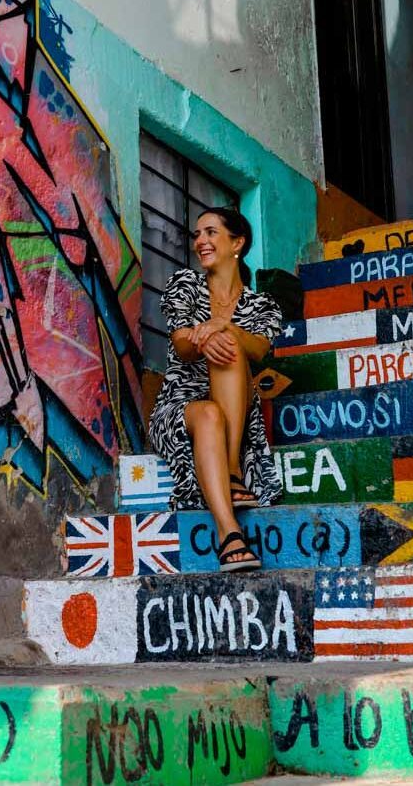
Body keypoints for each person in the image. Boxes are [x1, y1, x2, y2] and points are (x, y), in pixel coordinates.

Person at [148, 208, 283, 571]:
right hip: (180, 406)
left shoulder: (262, 305)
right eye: (197, 235)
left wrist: (224, 326)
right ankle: (229, 533)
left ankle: (233, 468)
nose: (200, 242)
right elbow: (181, 345)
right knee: (207, 409)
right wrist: (204, 339)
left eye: (210, 233)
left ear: (237, 243)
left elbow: (259, 349)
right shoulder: (185, 285)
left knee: (232, 343)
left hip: (236, 413)